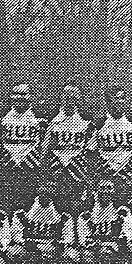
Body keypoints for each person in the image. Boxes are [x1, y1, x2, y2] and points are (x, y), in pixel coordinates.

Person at [7, 178, 79, 264]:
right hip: (30, 249)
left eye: (52, 188)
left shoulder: (62, 212)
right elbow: (16, 234)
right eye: (45, 187)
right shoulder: (24, 209)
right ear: (38, 189)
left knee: (72, 255)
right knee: (13, 252)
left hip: (53, 250)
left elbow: (68, 237)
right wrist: (26, 243)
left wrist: (58, 245)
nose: (47, 191)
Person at [41, 85, 95, 217]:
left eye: (73, 98)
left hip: (77, 173)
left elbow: (90, 153)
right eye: (67, 98)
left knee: (77, 208)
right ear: (62, 99)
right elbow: (45, 150)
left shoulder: (85, 123)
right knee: (58, 209)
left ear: (78, 100)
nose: (69, 101)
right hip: (58, 173)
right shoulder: (54, 123)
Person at [88, 84, 132, 208]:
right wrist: (94, 181)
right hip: (106, 181)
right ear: (107, 102)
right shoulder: (99, 124)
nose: (118, 103)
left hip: (127, 179)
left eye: (121, 99)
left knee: (125, 215)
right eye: (114, 99)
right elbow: (91, 155)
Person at [0, 84, 48, 213]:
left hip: (30, 169)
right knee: (7, 206)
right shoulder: (3, 119)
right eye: (16, 99)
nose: (20, 102)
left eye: (23, 99)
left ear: (30, 99)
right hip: (8, 169)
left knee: (28, 207)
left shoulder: (39, 118)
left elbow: (44, 146)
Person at [77, 178, 132, 264]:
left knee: (129, 253)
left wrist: (114, 245)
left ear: (114, 191)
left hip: (115, 249)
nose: (105, 191)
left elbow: (128, 234)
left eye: (109, 188)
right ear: (96, 190)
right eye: (102, 188)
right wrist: (98, 246)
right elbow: (83, 237)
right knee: (87, 257)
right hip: (95, 249)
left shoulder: (122, 211)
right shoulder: (87, 212)